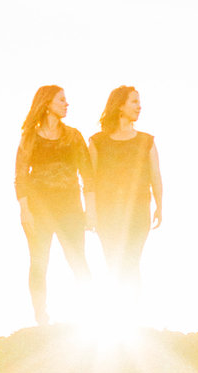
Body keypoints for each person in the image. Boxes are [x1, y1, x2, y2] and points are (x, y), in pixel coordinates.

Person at [15, 85, 96, 325]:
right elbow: (20, 176)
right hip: (39, 209)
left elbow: (87, 175)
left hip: (70, 207)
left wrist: (90, 210)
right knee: (39, 262)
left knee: (78, 260)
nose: (66, 104)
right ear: (47, 103)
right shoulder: (29, 137)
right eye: (61, 100)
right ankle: (41, 316)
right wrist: (24, 210)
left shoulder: (73, 135)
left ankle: (89, 314)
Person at [88, 86, 163, 297]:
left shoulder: (146, 141)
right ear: (120, 106)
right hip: (107, 213)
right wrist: (91, 212)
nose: (140, 106)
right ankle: (117, 316)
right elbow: (90, 181)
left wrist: (159, 206)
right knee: (113, 262)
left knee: (131, 261)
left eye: (139, 102)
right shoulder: (97, 141)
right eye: (134, 102)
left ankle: (133, 317)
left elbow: (155, 175)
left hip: (138, 212)